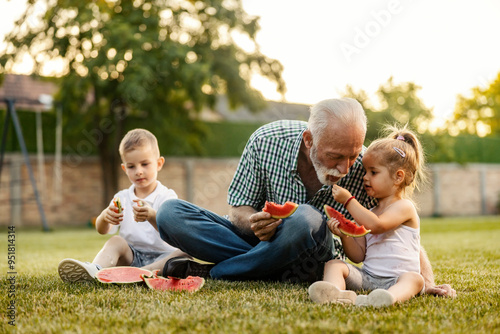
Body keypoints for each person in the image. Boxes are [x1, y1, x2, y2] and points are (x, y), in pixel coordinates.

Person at [155, 98, 455, 297]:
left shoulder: (366, 168)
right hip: (259, 242)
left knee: (306, 216)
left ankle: (216, 272)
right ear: (309, 140)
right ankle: (263, 268)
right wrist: (253, 223)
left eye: (352, 156)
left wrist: (425, 281)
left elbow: (396, 227)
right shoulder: (265, 141)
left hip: (312, 258)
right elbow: (238, 210)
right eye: (335, 156)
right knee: (170, 212)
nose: (346, 168)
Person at [308, 125, 447, 307]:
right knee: (334, 264)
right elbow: (359, 255)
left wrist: (348, 200)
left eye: (373, 172)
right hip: (369, 278)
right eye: (365, 171)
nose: (365, 177)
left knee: (414, 279)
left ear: (398, 177)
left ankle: (388, 298)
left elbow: (379, 225)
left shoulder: (405, 207)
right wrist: (346, 235)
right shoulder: (370, 212)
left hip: (398, 280)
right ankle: (335, 294)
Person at [58, 129, 187, 283]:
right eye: (131, 167)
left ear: (159, 164)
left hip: (163, 257)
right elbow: (102, 230)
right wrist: (105, 217)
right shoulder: (122, 198)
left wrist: (152, 216)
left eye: (145, 164)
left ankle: (144, 272)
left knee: (184, 253)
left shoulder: (167, 196)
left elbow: (173, 233)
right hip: (131, 256)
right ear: (124, 169)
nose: (139, 171)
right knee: (116, 241)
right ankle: (96, 269)